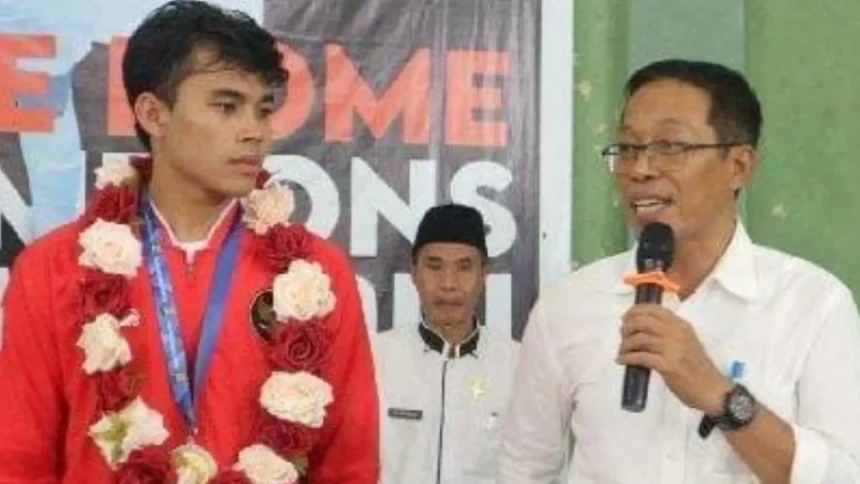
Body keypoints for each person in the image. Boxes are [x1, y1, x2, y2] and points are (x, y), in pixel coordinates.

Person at [0, 1, 379, 482]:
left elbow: (349, 464)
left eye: (264, 109)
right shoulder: (54, 268)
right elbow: (18, 461)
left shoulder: (316, 277)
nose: (256, 132)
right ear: (154, 114)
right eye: (227, 105)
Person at [498, 59, 860, 483]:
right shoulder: (568, 306)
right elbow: (524, 469)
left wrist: (720, 396)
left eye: (670, 147)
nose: (640, 169)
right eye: (628, 148)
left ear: (739, 166)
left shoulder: (812, 304)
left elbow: (845, 475)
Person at [372, 203, 519, 484]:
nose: (449, 283)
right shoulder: (376, 360)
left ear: (484, 274)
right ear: (413, 272)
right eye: (434, 266)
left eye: (464, 267)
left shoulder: (518, 365)